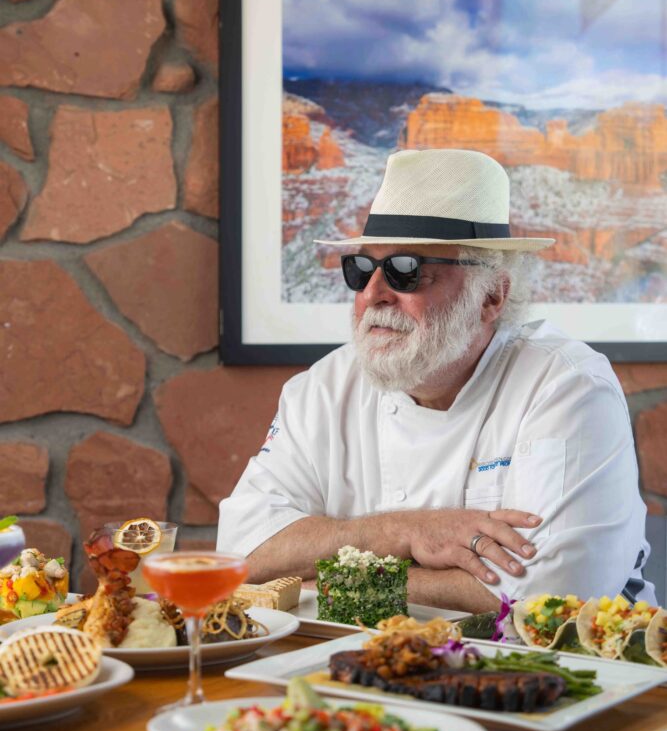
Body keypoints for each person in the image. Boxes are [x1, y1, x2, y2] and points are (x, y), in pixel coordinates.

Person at [218, 148, 654, 612]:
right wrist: (405, 530)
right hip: (349, 666)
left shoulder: (565, 387)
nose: (372, 294)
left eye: (406, 270)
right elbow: (242, 551)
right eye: (361, 269)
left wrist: (315, 586)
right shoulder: (322, 389)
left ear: (490, 296)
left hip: (546, 673)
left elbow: (551, 596)